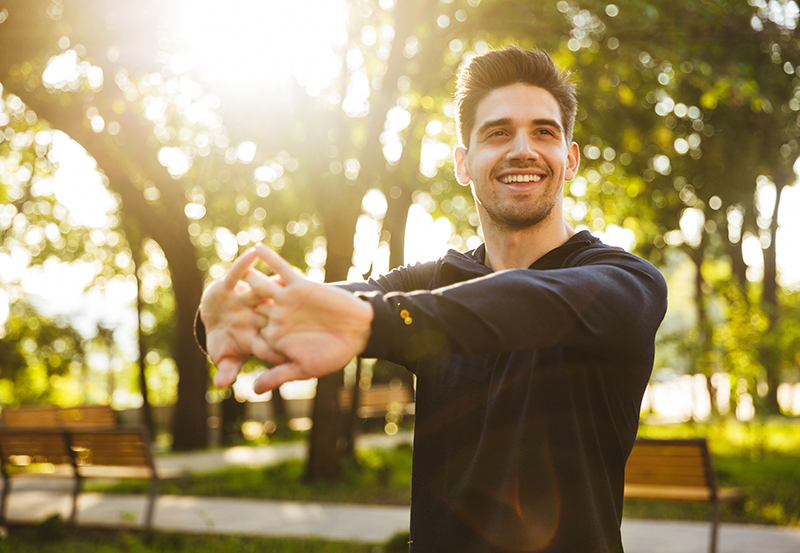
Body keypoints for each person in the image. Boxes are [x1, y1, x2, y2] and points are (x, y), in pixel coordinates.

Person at [198, 46, 668, 553]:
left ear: (569, 159)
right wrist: (229, 318)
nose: (523, 150)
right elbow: (321, 307)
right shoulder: (435, 281)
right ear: (464, 164)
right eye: (498, 132)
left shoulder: (625, 282)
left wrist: (376, 320)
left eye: (544, 132)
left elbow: (535, 302)